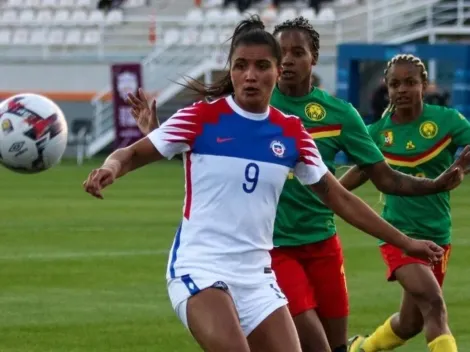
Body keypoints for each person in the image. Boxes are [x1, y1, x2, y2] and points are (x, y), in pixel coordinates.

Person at [127, 17, 469, 352]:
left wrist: (435, 186)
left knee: (336, 346)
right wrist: (160, 137)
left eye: (297, 52)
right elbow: (211, 152)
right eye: (282, 52)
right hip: (273, 249)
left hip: (322, 242)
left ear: (313, 58)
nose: (288, 60)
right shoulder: (253, 103)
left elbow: (379, 178)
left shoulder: (338, 114)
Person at [342, 54, 470, 352]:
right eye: (394, 84)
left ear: (424, 85)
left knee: (411, 322)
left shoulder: (447, 120)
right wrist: (322, 193)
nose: (402, 89)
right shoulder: (375, 134)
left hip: (438, 236)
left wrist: (461, 168)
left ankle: (361, 348)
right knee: (435, 304)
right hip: (398, 236)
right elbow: (358, 172)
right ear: (386, 89)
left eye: (410, 82)